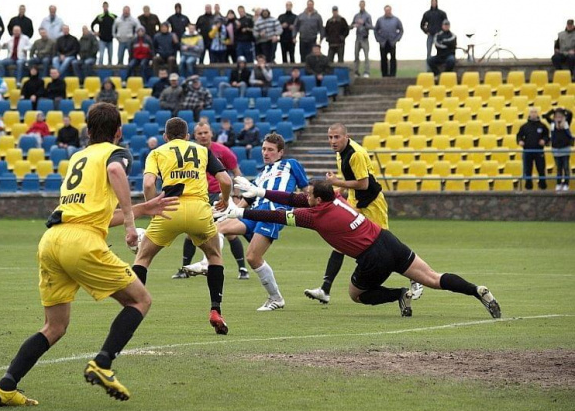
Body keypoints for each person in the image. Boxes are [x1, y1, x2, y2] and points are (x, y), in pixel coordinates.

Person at [0, 102, 179, 407]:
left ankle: (6, 386)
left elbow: (92, 213)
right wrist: (131, 223)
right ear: (119, 132)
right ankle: (103, 364)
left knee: (54, 327)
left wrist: (143, 209)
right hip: (81, 242)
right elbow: (116, 171)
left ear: (88, 131)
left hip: (52, 240)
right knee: (140, 300)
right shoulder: (116, 153)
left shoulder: (78, 156)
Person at [225, 179, 502, 320]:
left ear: (317, 198)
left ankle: (399, 294)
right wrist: (260, 193)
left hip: (372, 257)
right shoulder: (335, 198)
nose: (305, 197)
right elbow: (294, 197)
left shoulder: (314, 216)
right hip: (387, 239)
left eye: (309, 195)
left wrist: (241, 211)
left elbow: (277, 215)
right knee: (432, 277)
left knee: (356, 295)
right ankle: (477, 290)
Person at [184, 133, 310, 311]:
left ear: (281, 152)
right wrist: (231, 213)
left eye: (271, 150)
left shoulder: (291, 164)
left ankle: (276, 298)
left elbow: (307, 191)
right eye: (264, 149)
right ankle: (206, 262)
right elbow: (249, 199)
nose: (266, 153)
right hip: (254, 213)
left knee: (253, 257)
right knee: (217, 228)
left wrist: (312, 209)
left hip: (273, 213)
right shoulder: (262, 174)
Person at [133, 117, 233, 335]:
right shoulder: (202, 150)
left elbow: (149, 184)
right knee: (214, 256)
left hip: (169, 208)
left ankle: (133, 310)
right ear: (188, 136)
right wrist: (225, 199)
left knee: (143, 258)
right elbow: (226, 180)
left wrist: (152, 208)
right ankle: (216, 310)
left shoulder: (157, 152)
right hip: (198, 209)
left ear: (165, 137)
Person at [304, 122, 398, 304]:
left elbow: (363, 184)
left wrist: (336, 183)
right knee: (340, 243)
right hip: (356, 203)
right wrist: (340, 193)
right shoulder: (341, 154)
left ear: (346, 136)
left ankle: (415, 278)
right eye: (330, 137)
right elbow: (352, 183)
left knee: (386, 245)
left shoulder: (356, 154)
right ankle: (325, 289)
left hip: (372, 203)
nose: (333, 141)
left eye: (337, 137)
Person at [173, 122, 248, 280]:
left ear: (211, 134)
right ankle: (183, 269)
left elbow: (236, 173)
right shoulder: (188, 152)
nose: (203, 136)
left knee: (230, 233)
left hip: (218, 195)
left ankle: (242, 269)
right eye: (199, 133)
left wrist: (236, 195)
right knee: (190, 233)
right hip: (198, 196)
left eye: (205, 132)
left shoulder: (222, 151)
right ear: (194, 135)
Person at [516, 107, 549, 191]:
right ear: (529, 114)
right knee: (528, 170)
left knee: (541, 169)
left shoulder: (542, 126)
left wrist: (544, 140)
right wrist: (520, 141)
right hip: (527, 151)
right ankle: (528, 188)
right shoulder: (524, 126)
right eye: (532, 112)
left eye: (535, 112)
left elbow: (547, 136)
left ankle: (543, 187)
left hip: (539, 151)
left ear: (537, 114)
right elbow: (519, 136)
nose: (533, 114)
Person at [545, 108, 574, 191]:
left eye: (560, 116)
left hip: (565, 148)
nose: (559, 118)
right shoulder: (552, 124)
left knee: (566, 167)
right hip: (556, 149)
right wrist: (553, 111)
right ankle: (558, 183)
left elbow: (570, 113)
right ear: (554, 117)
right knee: (558, 168)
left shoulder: (566, 123)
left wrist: (563, 110)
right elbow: (546, 116)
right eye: (557, 116)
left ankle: (566, 184)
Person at [374, 5, 404, 77]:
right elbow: (375, 30)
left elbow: (401, 30)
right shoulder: (380, 20)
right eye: (386, 10)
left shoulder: (396, 20)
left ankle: (393, 74)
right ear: (384, 11)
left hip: (392, 42)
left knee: (393, 59)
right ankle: (384, 75)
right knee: (383, 59)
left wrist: (397, 39)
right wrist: (378, 40)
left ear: (391, 10)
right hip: (383, 43)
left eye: (389, 10)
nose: (387, 12)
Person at [420, 0, 448, 66]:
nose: (433, 3)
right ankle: (428, 69)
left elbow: (446, 23)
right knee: (429, 52)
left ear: (437, 3)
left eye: (435, 2)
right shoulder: (427, 14)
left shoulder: (442, 13)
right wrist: (426, 31)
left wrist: (443, 32)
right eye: (432, 2)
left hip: (439, 36)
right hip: (430, 36)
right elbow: (422, 25)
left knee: (441, 52)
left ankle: (441, 67)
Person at [351, 0, 373, 78]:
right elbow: (351, 25)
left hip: (364, 38)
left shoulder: (368, 16)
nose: (362, 6)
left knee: (366, 56)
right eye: (360, 5)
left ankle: (366, 72)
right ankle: (356, 72)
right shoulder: (356, 15)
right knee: (356, 56)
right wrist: (354, 25)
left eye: (363, 5)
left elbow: (371, 26)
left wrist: (364, 23)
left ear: (365, 5)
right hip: (357, 38)